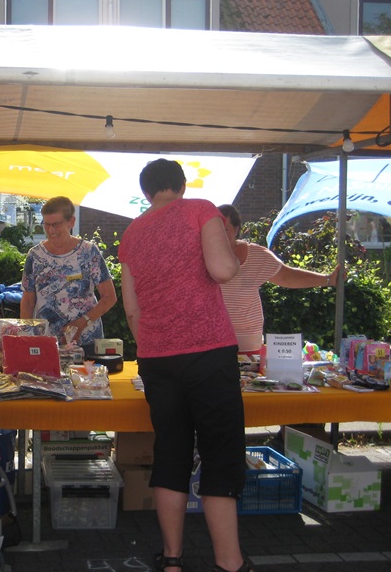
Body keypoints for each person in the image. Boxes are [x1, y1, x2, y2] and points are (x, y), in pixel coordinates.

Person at [119, 159, 250, 572]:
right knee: (219, 455)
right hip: (208, 352)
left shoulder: (132, 232)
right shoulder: (199, 209)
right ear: (181, 184)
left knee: (171, 454)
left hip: (158, 360)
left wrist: (155, 344)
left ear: (146, 193)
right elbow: (224, 269)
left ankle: (172, 558)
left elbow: (132, 308)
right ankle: (229, 563)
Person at [218, 204, 342, 355]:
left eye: (225, 230)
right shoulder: (201, 255)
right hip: (213, 338)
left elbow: (288, 277)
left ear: (236, 230)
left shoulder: (256, 255)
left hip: (248, 341)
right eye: (216, 229)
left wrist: (328, 279)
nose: (220, 235)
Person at [20, 196, 117, 350]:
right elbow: (27, 302)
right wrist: (25, 339)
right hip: (47, 343)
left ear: (71, 222)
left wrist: (82, 322)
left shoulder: (88, 252)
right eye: (47, 225)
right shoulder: (35, 255)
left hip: (87, 342)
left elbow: (110, 297)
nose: (51, 231)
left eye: (56, 225)